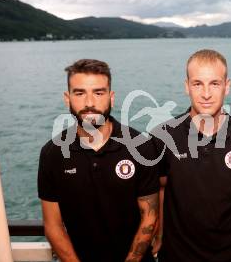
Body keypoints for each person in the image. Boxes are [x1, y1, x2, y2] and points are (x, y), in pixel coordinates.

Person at [37, 59, 159, 262]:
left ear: (111, 98)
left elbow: (150, 216)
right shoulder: (53, 154)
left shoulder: (140, 146)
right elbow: (53, 226)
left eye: (98, 93)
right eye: (80, 93)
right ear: (67, 98)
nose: (89, 103)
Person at [150, 49, 231, 262]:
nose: (206, 93)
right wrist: (158, 235)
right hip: (177, 256)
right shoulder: (163, 137)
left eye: (215, 83)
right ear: (187, 87)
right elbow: (159, 190)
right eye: (198, 84)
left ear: (227, 86)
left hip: (230, 256)